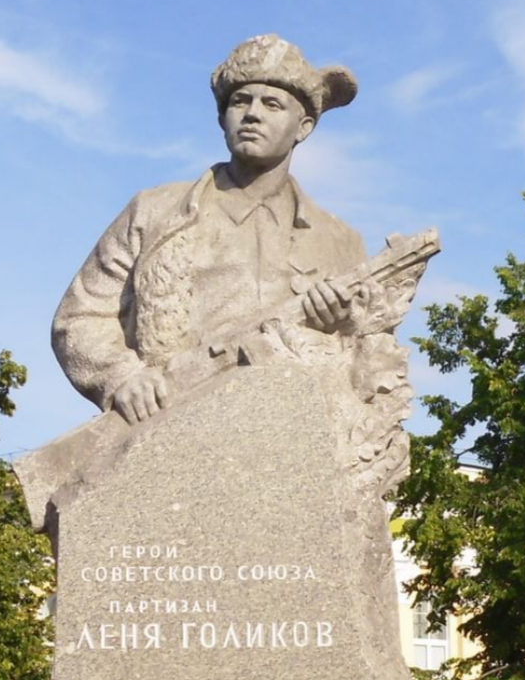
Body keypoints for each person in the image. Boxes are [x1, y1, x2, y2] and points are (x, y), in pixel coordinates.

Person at [52, 34, 373, 423]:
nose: (252, 114)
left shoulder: (341, 243)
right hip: (172, 429)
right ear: (222, 118)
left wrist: (343, 326)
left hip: (292, 439)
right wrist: (122, 376)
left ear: (303, 127)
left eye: (272, 104)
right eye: (240, 101)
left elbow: (370, 359)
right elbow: (80, 317)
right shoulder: (154, 211)